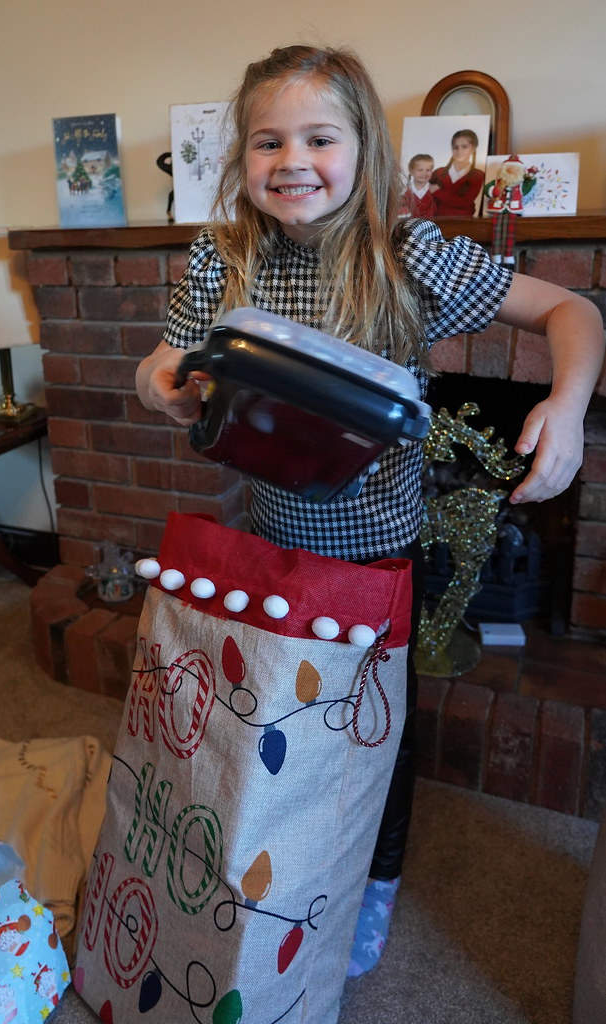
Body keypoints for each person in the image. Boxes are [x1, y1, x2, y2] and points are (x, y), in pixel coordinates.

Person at [135, 44, 604, 977]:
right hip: (272, 542)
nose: (292, 160)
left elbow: (573, 311)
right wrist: (165, 385)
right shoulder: (218, 254)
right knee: (278, 719)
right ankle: (294, 861)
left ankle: (376, 884)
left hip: (384, 555)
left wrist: (567, 407)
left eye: (319, 136)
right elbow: (158, 365)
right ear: (241, 157)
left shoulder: (405, 253)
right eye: (267, 141)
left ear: (365, 149)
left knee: (372, 734)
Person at [430, 128, 485, 217]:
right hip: (438, 223)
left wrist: (437, 192)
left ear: (473, 149)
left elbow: (465, 202)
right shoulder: (438, 172)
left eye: (464, 147)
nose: (459, 151)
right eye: (455, 147)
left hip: (463, 224)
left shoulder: (478, 176)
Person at [399, 153, 436, 218]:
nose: (424, 173)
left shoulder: (434, 191)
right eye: (420, 170)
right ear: (411, 171)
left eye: (428, 170)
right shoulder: (404, 191)